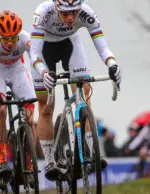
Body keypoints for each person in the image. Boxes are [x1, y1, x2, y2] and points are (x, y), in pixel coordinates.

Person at [29, 0, 121, 180]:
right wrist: (43, 72)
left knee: (84, 93)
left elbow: (102, 46)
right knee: (45, 106)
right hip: (44, 51)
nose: (70, 18)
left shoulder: (87, 12)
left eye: (74, 12)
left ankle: (92, 150)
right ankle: (49, 161)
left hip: (70, 44)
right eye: (65, 13)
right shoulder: (43, 12)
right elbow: (34, 52)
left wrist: (113, 64)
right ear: (56, 8)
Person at [0, 10, 37, 188]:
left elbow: (36, 60)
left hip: (18, 70)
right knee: (2, 110)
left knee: (29, 117)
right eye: (5, 39)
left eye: (12, 39)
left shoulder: (26, 38)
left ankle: (30, 165)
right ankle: (2, 163)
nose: (9, 43)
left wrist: (41, 79)